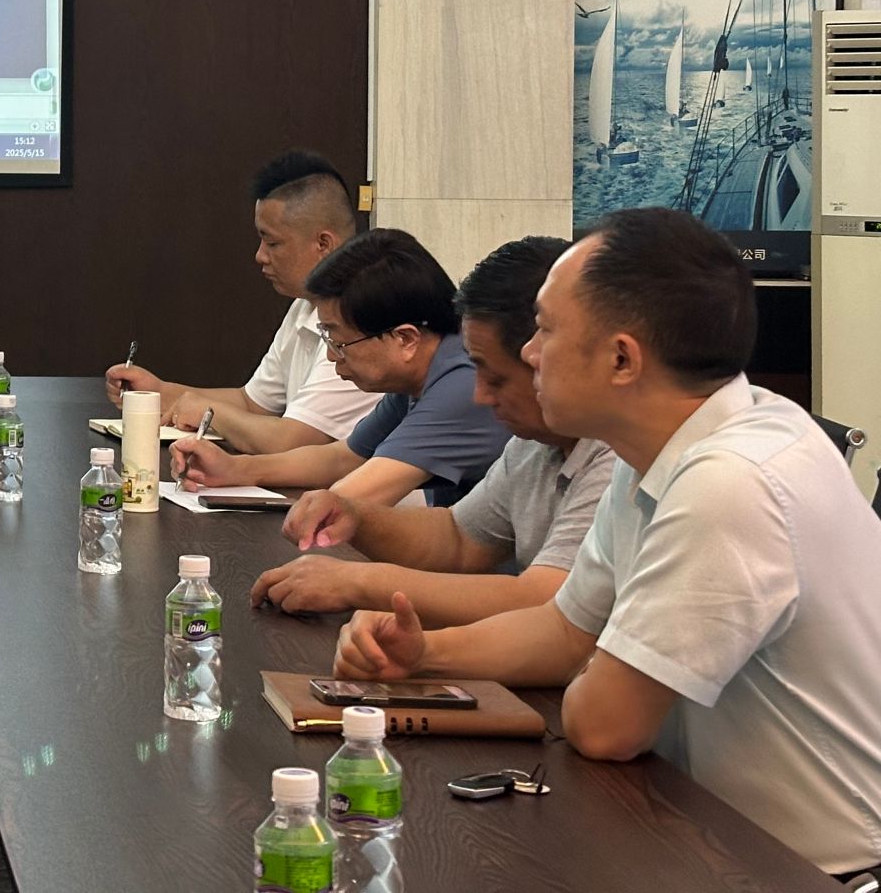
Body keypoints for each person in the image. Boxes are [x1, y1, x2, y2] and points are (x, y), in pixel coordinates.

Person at [332, 209, 881, 879]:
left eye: (547, 330)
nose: (529, 353)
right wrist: (422, 655)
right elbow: (565, 631)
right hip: (703, 825)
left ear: (622, 358)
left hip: (813, 869)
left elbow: (604, 727)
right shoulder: (655, 448)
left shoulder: (731, 483)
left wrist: (597, 657)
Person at [250, 235, 614, 625]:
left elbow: (548, 602)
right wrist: (356, 518)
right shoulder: (534, 443)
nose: (480, 395)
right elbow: (458, 537)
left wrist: (362, 583)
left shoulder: (615, 457)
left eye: (497, 378)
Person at [170, 228, 509, 507]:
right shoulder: (416, 377)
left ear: (405, 339)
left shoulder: (463, 383)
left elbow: (351, 497)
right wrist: (236, 469)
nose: (332, 357)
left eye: (339, 342)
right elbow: (343, 458)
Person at [106, 151, 376, 452]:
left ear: (323, 244)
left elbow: (291, 441)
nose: (260, 256)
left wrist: (208, 412)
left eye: (272, 242)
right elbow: (253, 403)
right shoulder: (307, 303)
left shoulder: (362, 319)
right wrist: (160, 392)